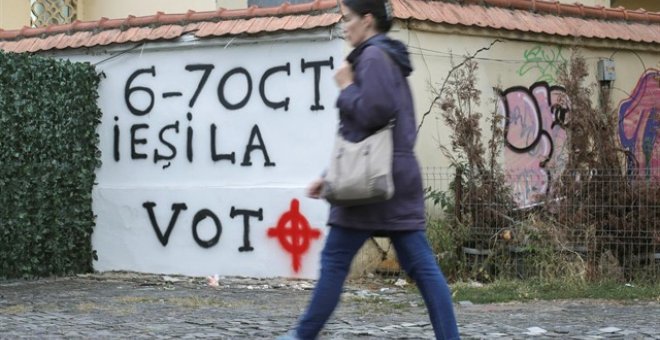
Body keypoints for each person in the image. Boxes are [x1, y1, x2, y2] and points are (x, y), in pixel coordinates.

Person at [279, 0, 460, 339]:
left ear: (367, 20)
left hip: (371, 184)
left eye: (346, 19)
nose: (343, 26)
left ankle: (299, 336)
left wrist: (346, 86)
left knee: (334, 262)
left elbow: (372, 115)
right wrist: (328, 174)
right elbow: (366, 135)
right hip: (391, 179)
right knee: (423, 268)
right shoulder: (385, 56)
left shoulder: (373, 57)